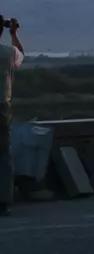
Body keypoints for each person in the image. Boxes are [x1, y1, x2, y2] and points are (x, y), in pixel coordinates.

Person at [0, 16, 25, 217]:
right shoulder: (8, 53)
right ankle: (3, 200)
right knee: (3, 155)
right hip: (2, 108)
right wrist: (14, 34)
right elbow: (21, 54)